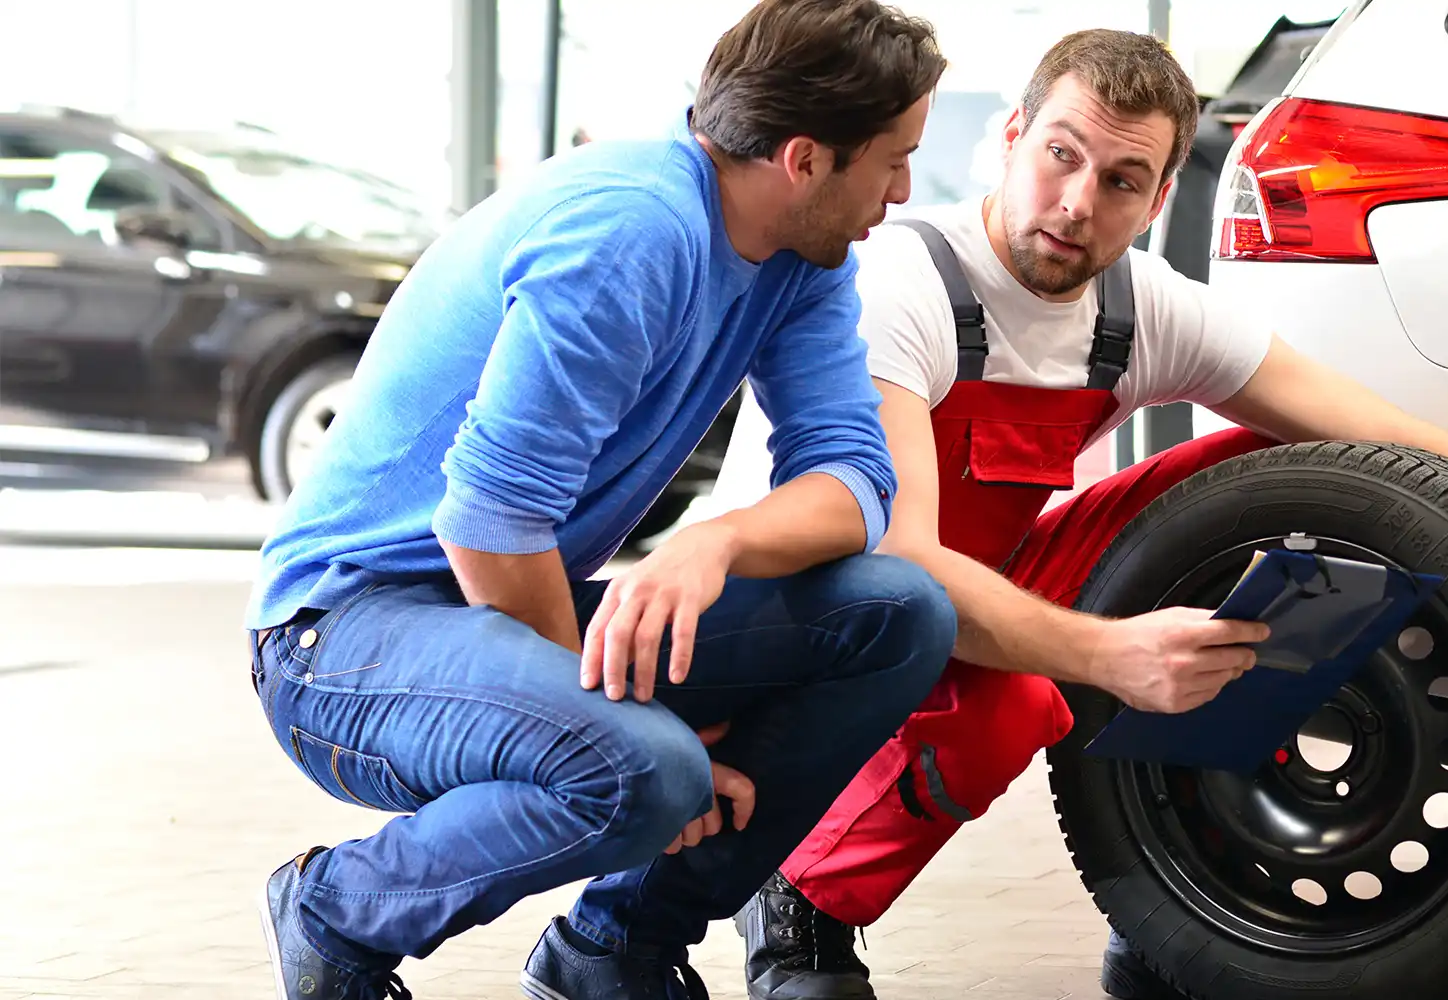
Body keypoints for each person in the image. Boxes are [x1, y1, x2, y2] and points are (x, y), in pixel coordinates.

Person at [730, 26, 1448, 1000]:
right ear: (1010, 139)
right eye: (1059, 155)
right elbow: (908, 562)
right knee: (1009, 707)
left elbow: (1414, 453)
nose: (1074, 205)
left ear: (1156, 201)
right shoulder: (902, 282)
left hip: (993, 568)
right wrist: (1109, 654)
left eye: (1120, 180)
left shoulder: (1138, 307)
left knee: (1317, 484)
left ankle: (1182, 895)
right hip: (823, 605)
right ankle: (801, 905)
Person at [242, 3, 958, 999]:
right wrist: (625, 721)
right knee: (648, 769)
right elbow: (488, 520)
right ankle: (336, 910)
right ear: (804, 159)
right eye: (893, 158)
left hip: (492, 606)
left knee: (897, 612)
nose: (905, 188)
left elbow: (854, 486)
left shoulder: (805, 259)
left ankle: (615, 948)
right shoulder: (635, 226)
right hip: (342, 640)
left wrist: (718, 541)